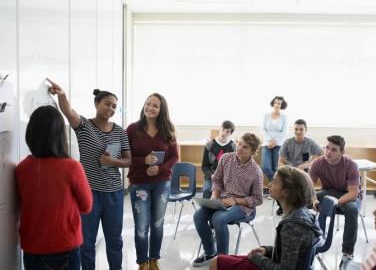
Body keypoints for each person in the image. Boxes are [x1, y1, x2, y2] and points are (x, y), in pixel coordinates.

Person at [47, 79, 131, 270]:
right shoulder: (84, 126)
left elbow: (128, 160)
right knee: (86, 243)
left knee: (114, 241)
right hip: (89, 193)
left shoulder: (120, 131)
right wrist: (62, 95)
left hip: (114, 193)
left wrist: (113, 162)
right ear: (97, 104)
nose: (111, 108)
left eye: (114, 106)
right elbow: (68, 112)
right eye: (107, 104)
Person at [16, 105, 93, 270]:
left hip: (31, 248)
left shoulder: (21, 168)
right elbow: (87, 206)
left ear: (30, 133)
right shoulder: (71, 167)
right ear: (60, 135)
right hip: (64, 246)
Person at [209, 166, 321, 270]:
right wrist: (267, 250)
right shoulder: (301, 214)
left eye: (275, 182)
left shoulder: (293, 225)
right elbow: (290, 252)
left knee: (216, 262)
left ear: (286, 192)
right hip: (280, 262)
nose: (269, 185)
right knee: (220, 260)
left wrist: (257, 259)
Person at [192, 133, 264, 267]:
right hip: (222, 200)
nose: (239, 148)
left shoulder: (256, 172)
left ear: (253, 152)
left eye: (245, 147)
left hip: (244, 207)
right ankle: (209, 253)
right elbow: (216, 179)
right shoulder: (226, 158)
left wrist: (236, 201)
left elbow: (258, 199)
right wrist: (214, 195)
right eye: (239, 144)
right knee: (198, 216)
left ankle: (222, 259)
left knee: (219, 218)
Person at [126, 93, 179, 270]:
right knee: (141, 226)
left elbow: (174, 157)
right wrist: (143, 161)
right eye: (148, 104)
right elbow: (124, 156)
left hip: (161, 183)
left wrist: (160, 168)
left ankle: (154, 259)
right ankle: (142, 262)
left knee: (157, 223)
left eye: (155, 105)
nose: (150, 107)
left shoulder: (168, 129)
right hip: (138, 183)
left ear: (161, 110)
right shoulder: (133, 129)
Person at [309, 135, 360, 266]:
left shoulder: (351, 165)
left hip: (347, 195)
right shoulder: (318, 163)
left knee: (352, 210)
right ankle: (308, 242)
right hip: (328, 191)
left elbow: (353, 193)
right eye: (327, 148)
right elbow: (308, 188)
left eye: (333, 150)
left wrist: (336, 203)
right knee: (303, 199)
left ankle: (347, 253)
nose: (328, 152)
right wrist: (314, 200)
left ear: (342, 152)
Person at [202, 120, 236, 198]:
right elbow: (204, 166)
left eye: (227, 131)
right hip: (211, 176)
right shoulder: (209, 145)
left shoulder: (233, 147)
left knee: (227, 194)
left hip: (226, 178)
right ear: (220, 128)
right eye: (223, 130)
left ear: (230, 133)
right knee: (207, 190)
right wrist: (212, 176)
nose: (224, 133)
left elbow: (234, 167)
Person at [261, 96, 288, 182]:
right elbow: (263, 129)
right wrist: (270, 141)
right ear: (273, 103)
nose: (276, 105)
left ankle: (275, 191)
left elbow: (284, 132)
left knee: (276, 169)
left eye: (279, 103)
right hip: (266, 144)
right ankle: (278, 184)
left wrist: (275, 141)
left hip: (279, 144)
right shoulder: (266, 115)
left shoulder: (284, 117)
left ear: (281, 105)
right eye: (275, 102)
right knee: (265, 167)